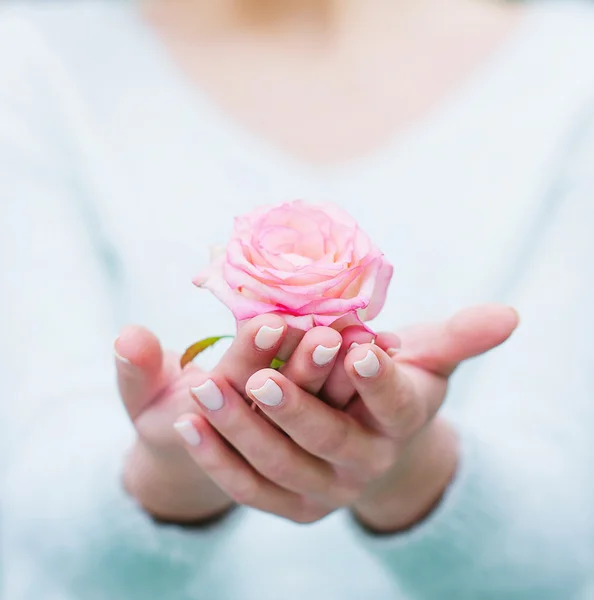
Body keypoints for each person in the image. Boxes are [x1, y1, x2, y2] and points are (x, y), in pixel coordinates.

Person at [1, 0, 593, 598]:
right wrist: (173, 477)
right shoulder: (34, 61)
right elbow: (38, 530)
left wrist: (412, 472)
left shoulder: (572, 72)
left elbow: (563, 555)